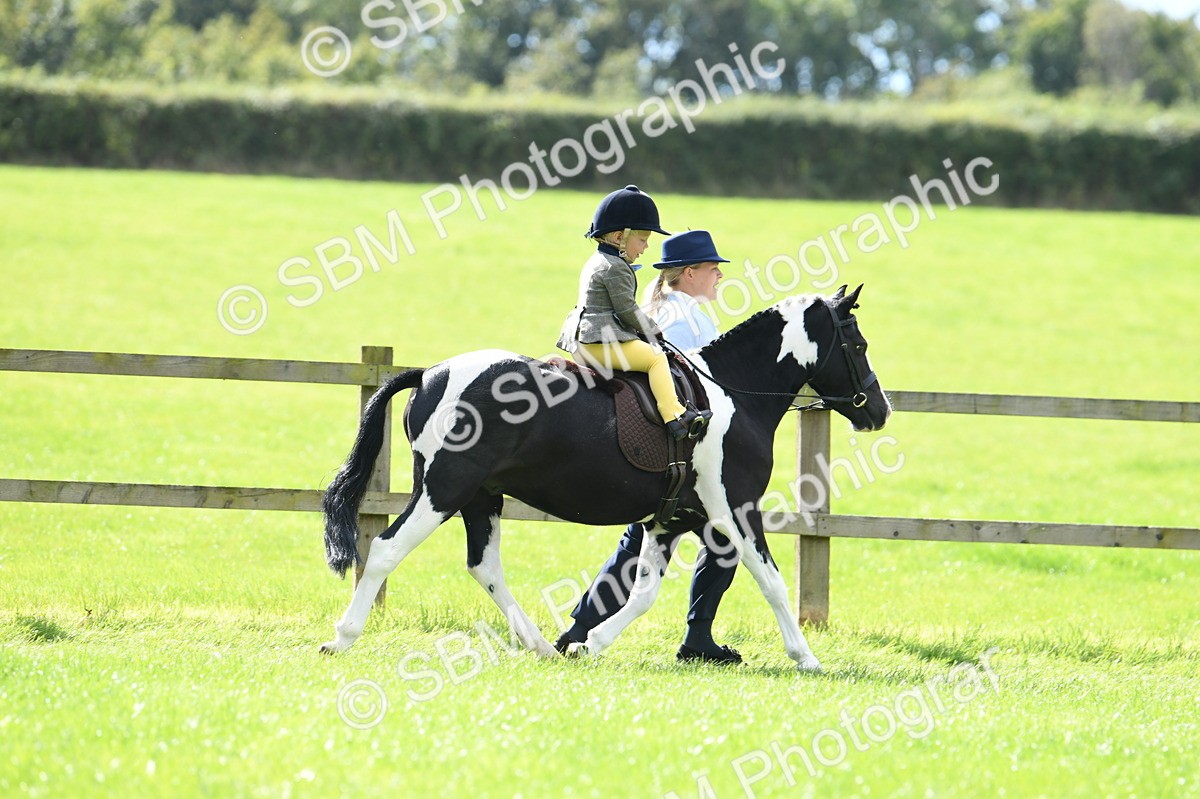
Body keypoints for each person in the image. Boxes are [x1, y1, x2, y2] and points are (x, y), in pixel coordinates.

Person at [556, 229, 744, 664]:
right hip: (675, 451)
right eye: (712, 267)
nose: (719, 274)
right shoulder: (678, 318)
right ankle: (694, 639)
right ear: (690, 273)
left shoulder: (684, 310)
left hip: (674, 450)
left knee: (654, 541)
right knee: (716, 538)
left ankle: (582, 629)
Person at [557, 185, 706, 441]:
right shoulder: (615, 267)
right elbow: (627, 310)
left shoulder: (599, 260)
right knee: (655, 359)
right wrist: (652, 330)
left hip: (583, 340)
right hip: (597, 342)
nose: (646, 246)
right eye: (643, 239)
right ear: (619, 237)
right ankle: (675, 416)